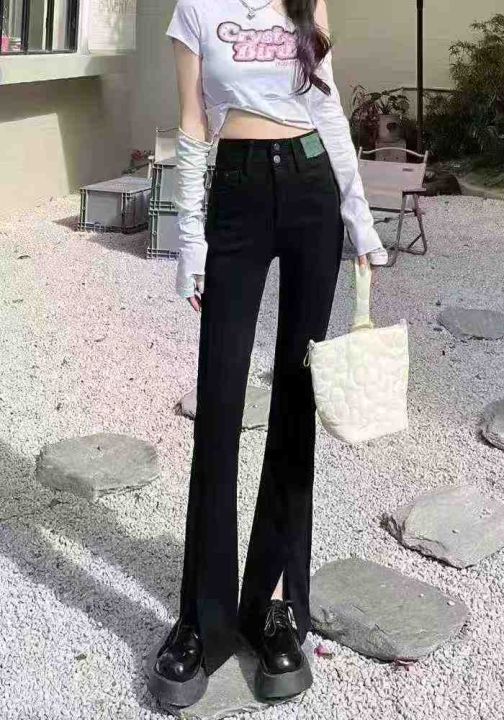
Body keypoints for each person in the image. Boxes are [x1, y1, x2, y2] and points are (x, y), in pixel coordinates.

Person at [145, 0, 388, 709]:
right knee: (219, 404)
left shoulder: (307, 2)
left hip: (312, 188)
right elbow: (193, 125)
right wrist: (190, 240)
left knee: (296, 399)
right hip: (239, 190)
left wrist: (360, 219)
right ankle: (203, 618)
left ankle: (273, 603)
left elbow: (328, 108)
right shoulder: (196, 9)